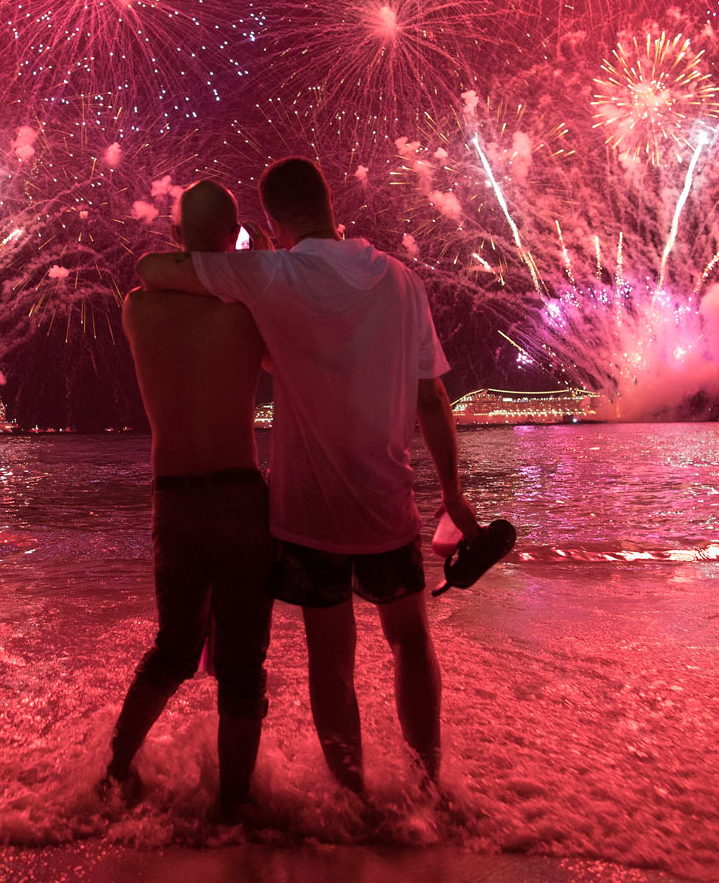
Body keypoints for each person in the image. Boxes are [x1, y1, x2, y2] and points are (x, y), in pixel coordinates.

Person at [136, 158, 479, 796]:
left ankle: (355, 798)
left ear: (273, 219)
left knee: (332, 656)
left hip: (311, 513)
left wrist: (256, 257)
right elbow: (432, 400)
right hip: (389, 502)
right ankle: (429, 790)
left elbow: (155, 270)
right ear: (328, 202)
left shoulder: (275, 275)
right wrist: (454, 496)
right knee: (409, 639)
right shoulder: (401, 280)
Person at [105, 179, 275, 816]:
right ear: (232, 238)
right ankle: (234, 808)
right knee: (242, 667)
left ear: (175, 237)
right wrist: (241, 260)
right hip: (239, 495)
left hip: (172, 499)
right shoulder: (248, 309)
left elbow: (159, 272)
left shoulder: (138, 309)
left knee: (173, 649)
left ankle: (113, 774)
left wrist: (195, 253)